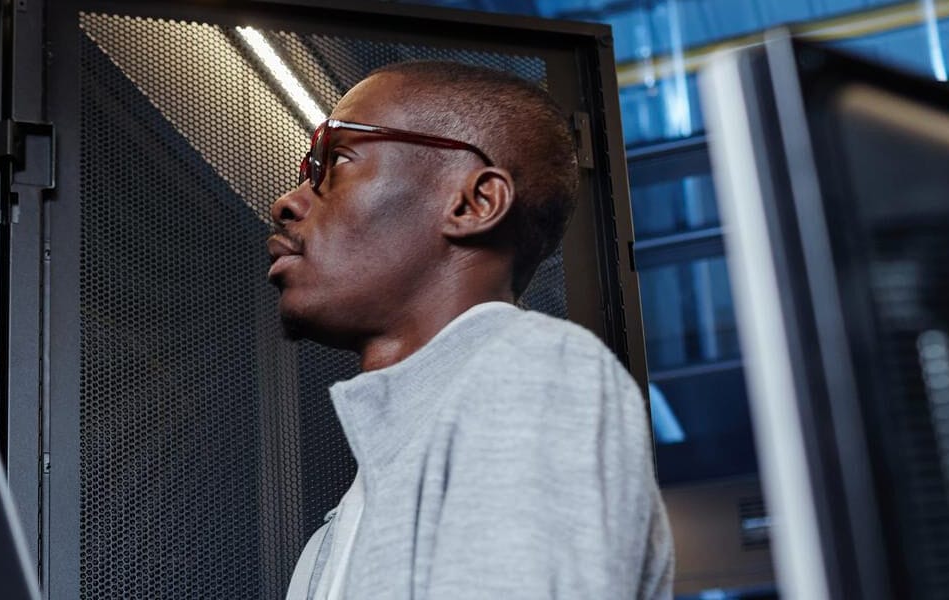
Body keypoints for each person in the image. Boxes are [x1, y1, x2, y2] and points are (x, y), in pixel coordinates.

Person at [268, 60, 673, 599]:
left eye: (338, 161)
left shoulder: (535, 381)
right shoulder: (337, 533)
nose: (288, 202)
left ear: (474, 203)